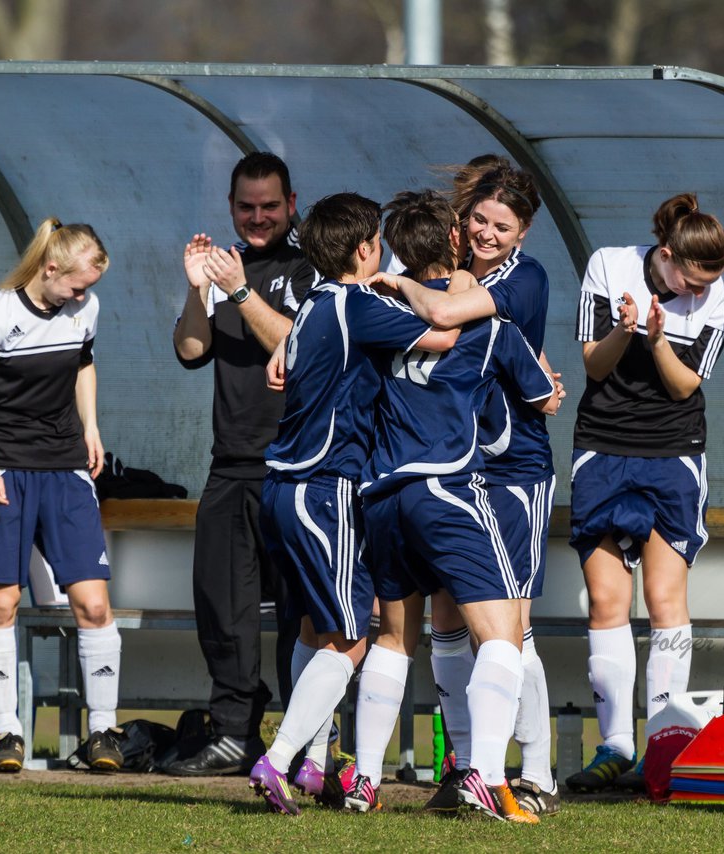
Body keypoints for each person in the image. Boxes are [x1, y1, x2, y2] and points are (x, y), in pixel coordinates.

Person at [353, 189, 562, 823]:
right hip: (456, 479)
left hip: (504, 475)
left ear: (522, 231)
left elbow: (445, 313)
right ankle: (474, 767)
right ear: (455, 229)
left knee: (495, 626)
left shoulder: (522, 279)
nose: (486, 232)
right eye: (476, 220)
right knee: (467, 627)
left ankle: (537, 771)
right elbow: (543, 391)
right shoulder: (471, 314)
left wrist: (392, 282)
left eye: (502, 224)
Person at [247, 192, 459, 815]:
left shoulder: (313, 302)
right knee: (350, 638)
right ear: (367, 250)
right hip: (324, 487)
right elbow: (443, 334)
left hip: (282, 486)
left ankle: (314, 764)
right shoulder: (355, 304)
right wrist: (426, 287)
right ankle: (279, 758)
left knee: (316, 627)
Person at [0, 217, 123, 773]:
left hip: (65, 471)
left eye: (90, 286)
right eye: (77, 285)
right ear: (49, 269)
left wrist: (90, 427)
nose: (83, 296)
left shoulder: (84, 310)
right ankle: (6, 733)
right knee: (2, 604)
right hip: (5, 474)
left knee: (93, 604)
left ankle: (103, 731)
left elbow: (84, 362)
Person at [567, 193, 724, 792]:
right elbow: (592, 366)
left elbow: (687, 387)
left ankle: (664, 743)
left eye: (705, 283)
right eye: (686, 280)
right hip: (603, 449)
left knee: (665, 598)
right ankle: (613, 745)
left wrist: (660, 339)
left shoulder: (717, 291)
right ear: (664, 256)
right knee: (607, 601)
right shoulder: (609, 265)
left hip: (673, 456)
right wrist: (625, 328)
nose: (696, 291)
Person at [169, 152, 317, 775]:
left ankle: (303, 740)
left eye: (270, 206)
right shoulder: (224, 267)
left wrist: (238, 290)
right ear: (231, 207)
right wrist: (196, 289)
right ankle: (233, 730)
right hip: (230, 465)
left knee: (300, 612)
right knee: (222, 606)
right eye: (246, 207)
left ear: (290, 205)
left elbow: (301, 343)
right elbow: (191, 349)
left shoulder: (311, 267)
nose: (258, 218)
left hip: (299, 466)